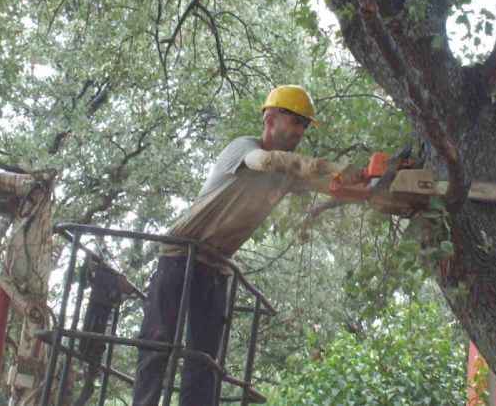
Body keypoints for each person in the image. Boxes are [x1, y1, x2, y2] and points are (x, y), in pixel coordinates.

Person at [132, 85, 343, 406]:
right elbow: (263, 161)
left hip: (215, 266)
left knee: (204, 360)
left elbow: (331, 184)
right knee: (158, 344)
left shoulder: (287, 173)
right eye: (295, 121)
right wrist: (316, 167)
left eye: (304, 125)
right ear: (270, 118)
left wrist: (367, 181)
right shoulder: (243, 147)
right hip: (180, 255)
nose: (300, 130)